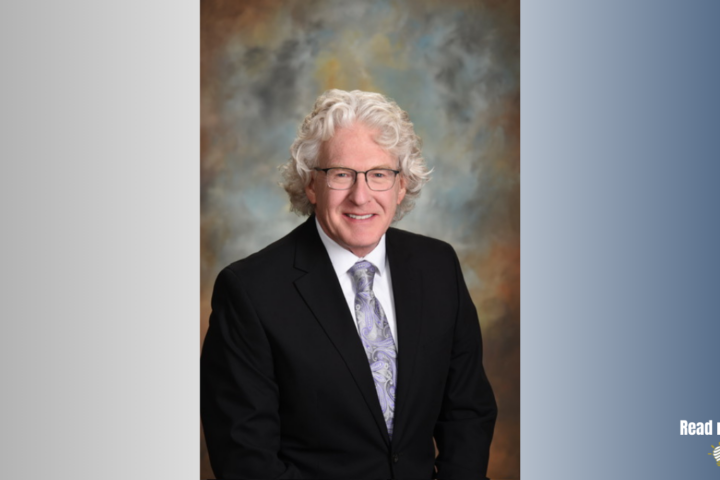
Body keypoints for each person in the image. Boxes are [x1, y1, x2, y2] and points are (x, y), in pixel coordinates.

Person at [201, 89, 497, 479]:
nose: (361, 196)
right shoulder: (250, 292)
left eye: (379, 174)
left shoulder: (438, 267)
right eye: (341, 174)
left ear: (401, 185)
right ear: (311, 184)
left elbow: (468, 412)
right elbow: (246, 460)